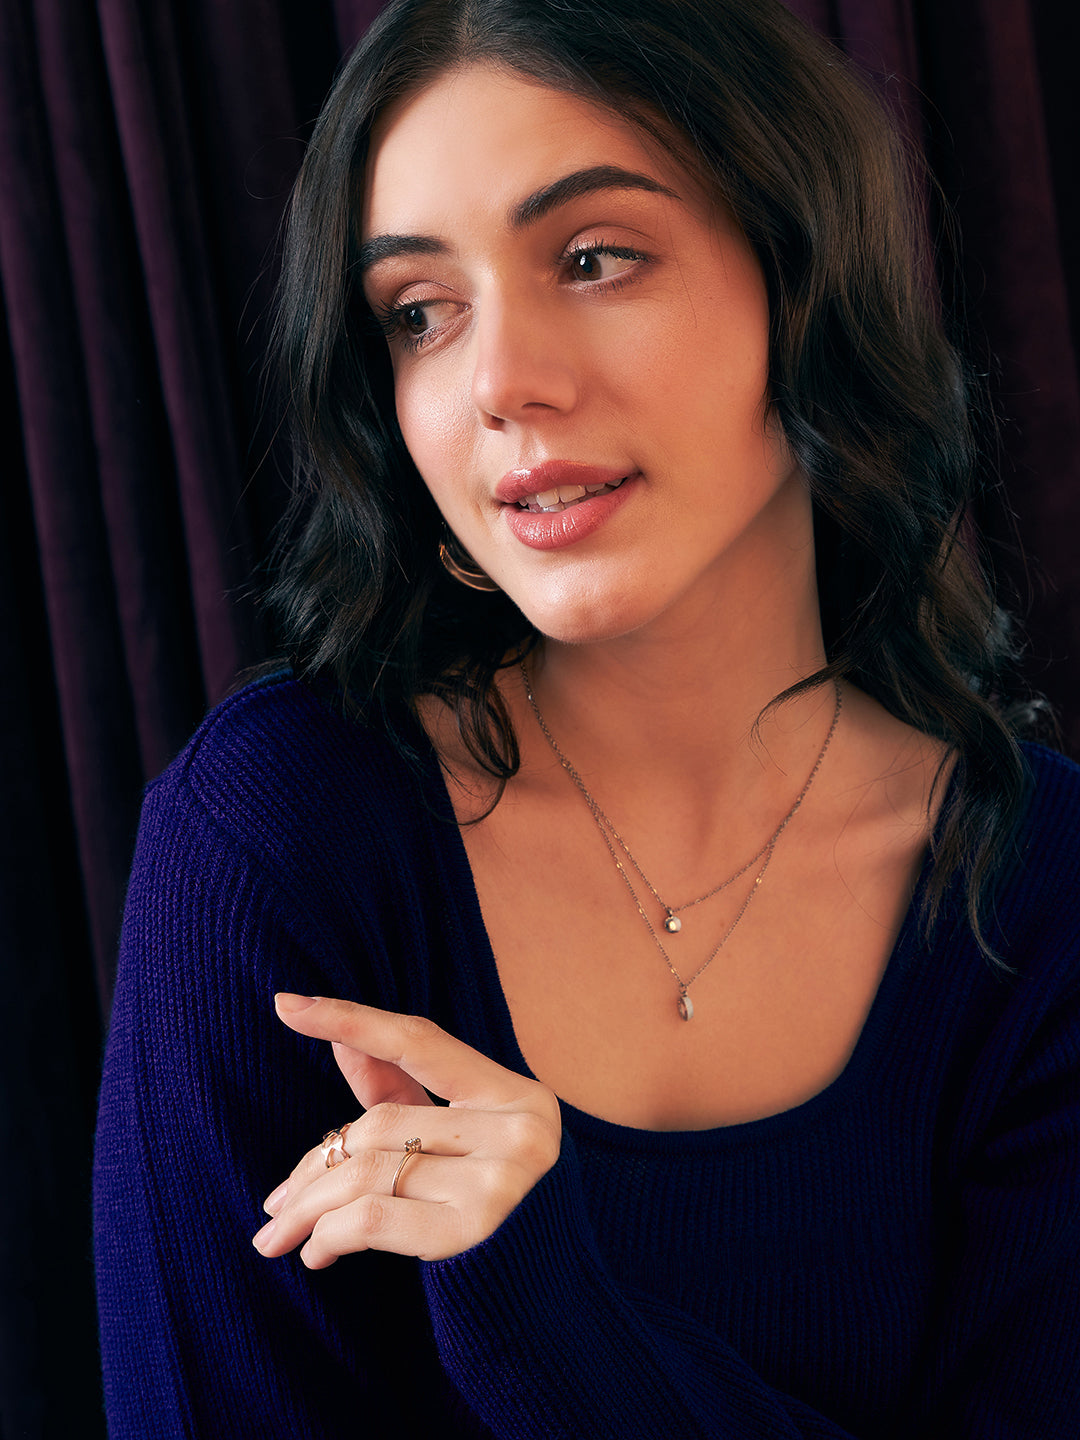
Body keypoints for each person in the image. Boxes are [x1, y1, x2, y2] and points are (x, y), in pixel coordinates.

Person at [93, 0, 1080, 1435]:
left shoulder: (1044, 893)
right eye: (420, 312)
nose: (500, 384)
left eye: (596, 257)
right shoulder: (273, 839)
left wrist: (549, 1320)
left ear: (806, 277)